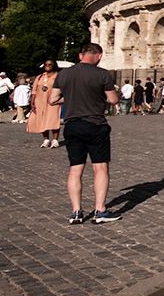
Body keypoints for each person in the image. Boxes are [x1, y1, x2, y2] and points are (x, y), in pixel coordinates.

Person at [51, 43, 120, 225]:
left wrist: (72, 97)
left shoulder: (64, 74)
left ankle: (76, 212)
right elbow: (113, 100)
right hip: (95, 124)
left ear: (81, 55)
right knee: (100, 168)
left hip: (72, 125)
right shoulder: (102, 74)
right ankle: (100, 210)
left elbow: (53, 99)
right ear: (99, 56)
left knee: (75, 168)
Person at [27, 60, 63, 147]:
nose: (48, 66)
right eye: (46, 64)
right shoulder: (40, 77)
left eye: (50, 64)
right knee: (42, 120)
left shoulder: (58, 76)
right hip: (39, 102)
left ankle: (55, 140)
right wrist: (32, 102)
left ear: (54, 65)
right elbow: (34, 90)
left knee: (53, 119)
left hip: (53, 102)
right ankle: (46, 139)